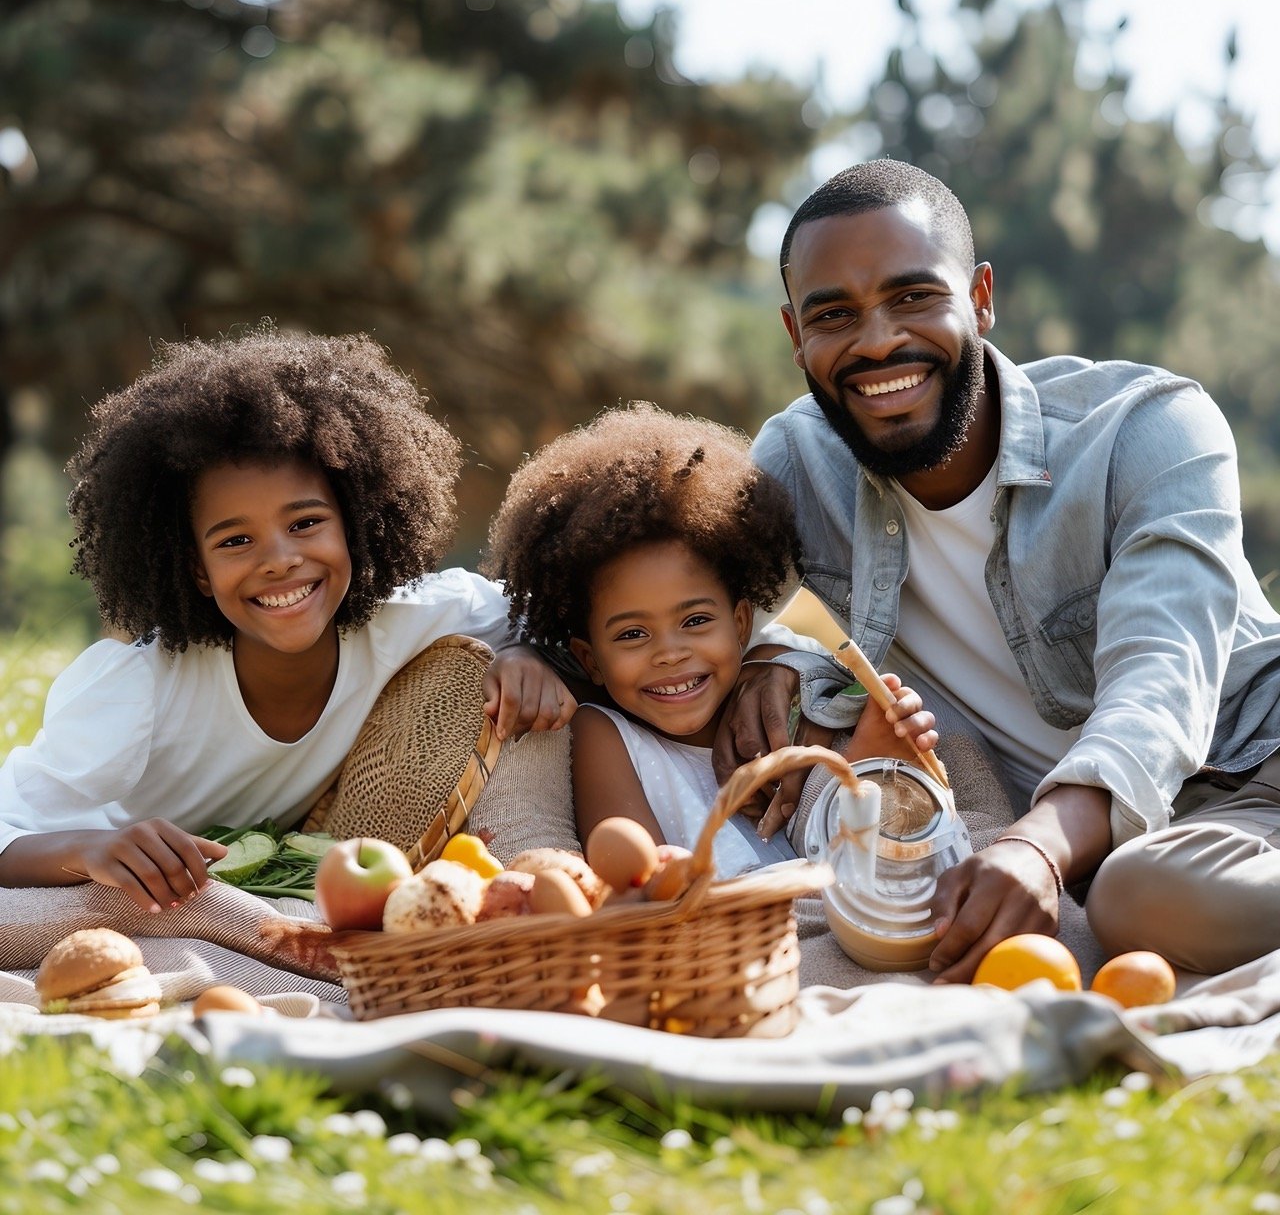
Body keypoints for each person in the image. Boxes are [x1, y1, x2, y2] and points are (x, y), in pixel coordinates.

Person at [713, 157, 1280, 982]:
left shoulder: (1146, 430)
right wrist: (777, 652)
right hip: (1061, 840)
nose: (877, 342)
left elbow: (1163, 683)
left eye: (913, 297)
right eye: (834, 315)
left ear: (980, 297)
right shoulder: (795, 462)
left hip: (1245, 775)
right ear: (797, 337)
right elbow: (653, 594)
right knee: (1116, 895)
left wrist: (1037, 846)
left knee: (1136, 901)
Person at [0, 325, 573, 913]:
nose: (279, 561)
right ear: (196, 571)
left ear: (354, 524)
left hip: (289, 884)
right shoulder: (140, 689)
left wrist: (527, 652)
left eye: (305, 524)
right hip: (137, 896)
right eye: (235, 541)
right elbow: (7, 830)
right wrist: (91, 848)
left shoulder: (413, 619)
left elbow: (550, 619)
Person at [483, 403, 937, 875]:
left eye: (696, 620)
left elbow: (867, 856)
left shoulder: (790, 705)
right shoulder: (604, 737)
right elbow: (642, 882)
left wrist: (871, 761)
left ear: (741, 623)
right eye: (633, 633)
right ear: (589, 658)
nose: (671, 653)